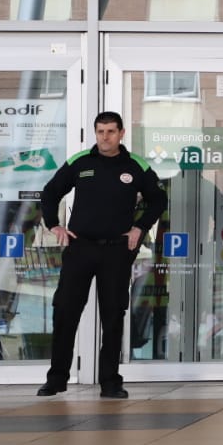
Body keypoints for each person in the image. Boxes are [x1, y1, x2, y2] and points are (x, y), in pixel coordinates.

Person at [38, 111, 168, 399]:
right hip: (80, 247)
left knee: (112, 316)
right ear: (95, 133)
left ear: (121, 133)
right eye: (100, 131)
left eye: (111, 131)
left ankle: (110, 382)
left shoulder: (136, 166)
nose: (105, 137)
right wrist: (54, 224)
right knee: (65, 313)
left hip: (116, 251)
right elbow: (50, 192)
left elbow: (159, 199)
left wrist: (139, 227)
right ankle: (56, 378)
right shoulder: (80, 162)